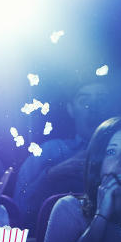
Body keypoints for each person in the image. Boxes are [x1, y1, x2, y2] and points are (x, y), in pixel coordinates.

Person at [12, 77, 111, 222]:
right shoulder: (48, 152)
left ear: (112, 107)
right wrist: (51, 175)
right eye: (84, 101)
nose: (93, 107)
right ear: (70, 109)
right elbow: (18, 208)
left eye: (102, 100)